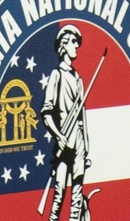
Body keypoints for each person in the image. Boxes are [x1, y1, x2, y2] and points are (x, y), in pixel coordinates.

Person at [41, 24, 91, 221]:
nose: (76, 47)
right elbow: (46, 112)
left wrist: (86, 147)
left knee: (77, 193)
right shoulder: (57, 75)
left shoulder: (79, 79)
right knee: (60, 191)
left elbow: (83, 117)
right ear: (63, 46)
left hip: (78, 141)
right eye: (72, 43)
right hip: (64, 140)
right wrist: (58, 136)